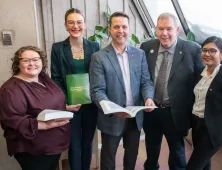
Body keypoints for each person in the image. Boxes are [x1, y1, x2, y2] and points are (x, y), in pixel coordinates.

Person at [90, 12, 155, 170]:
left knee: (131, 156)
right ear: (110, 29)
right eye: (116, 26)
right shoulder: (99, 57)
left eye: (124, 27)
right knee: (108, 158)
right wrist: (113, 109)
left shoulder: (139, 54)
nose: (121, 30)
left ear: (129, 29)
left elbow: (146, 81)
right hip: (112, 117)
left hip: (134, 116)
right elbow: (97, 90)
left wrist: (148, 98)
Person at [140, 12, 204, 170]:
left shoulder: (192, 49)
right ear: (156, 30)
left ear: (177, 30)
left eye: (169, 29)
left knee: (177, 152)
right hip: (151, 108)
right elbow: (142, 77)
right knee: (151, 147)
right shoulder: (147, 47)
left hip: (176, 111)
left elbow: (201, 81)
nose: (164, 33)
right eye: (160, 29)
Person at [0, 46, 70, 170]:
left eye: (36, 59)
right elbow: (12, 119)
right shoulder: (11, 89)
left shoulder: (43, 78)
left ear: (42, 61)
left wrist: (66, 107)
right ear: (18, 63)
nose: (32, 63)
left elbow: (52, 100)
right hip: (33, 149)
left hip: (53, 144)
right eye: (26, 60)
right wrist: (46, 125)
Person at [50, 8, 100, 170]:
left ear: (85, 25)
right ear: (65, 25)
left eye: (79, 22)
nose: (75, 26)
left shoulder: (94, 46)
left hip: (91, 103)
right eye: (71, 22)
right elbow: (56, 77)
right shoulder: (57, 48)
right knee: (74, 144)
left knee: (87, 142)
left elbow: (99, 74)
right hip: (70, 105)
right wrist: (65, 101)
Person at [186, 36, 222, 170]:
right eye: (204, 50)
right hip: (197, 125)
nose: (207, 54)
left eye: (212, 51)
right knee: (205, 164)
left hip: (213, 130)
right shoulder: (200, 73)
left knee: (193, 166)